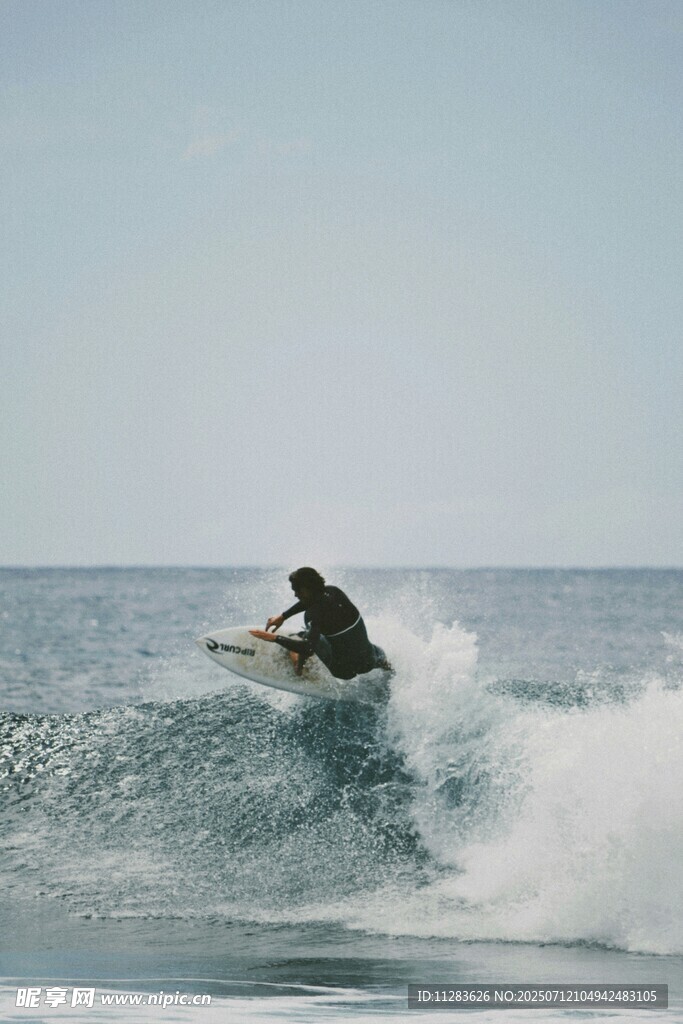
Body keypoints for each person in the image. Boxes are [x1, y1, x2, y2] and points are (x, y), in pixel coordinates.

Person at [250, 567, 390, 679]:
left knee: (308, 637)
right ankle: (388, 667)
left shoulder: (313, 616)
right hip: (370, 660)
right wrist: (283, 616)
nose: (295, 595)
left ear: (304, 589)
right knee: (368, 649)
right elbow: (313, 602)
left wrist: (274, 638)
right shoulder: (334, 592)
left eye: (296, 591)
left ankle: (299, 667)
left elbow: (308, 649)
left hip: (344, 671)